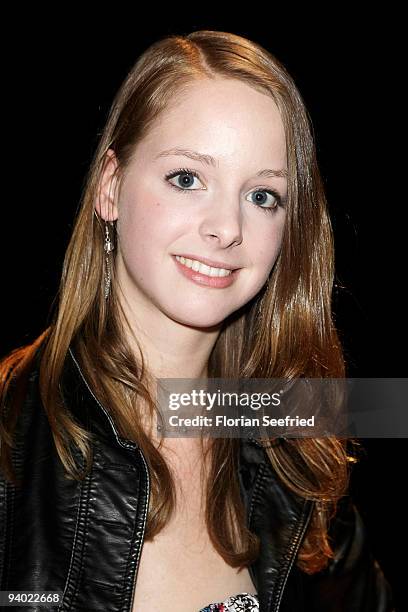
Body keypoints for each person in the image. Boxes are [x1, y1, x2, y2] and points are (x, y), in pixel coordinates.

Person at [0, 29, 394, 612]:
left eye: (263, 196)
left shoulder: (298, 439)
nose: (227, 228)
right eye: (187, 179)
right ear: (111, 187)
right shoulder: (11, 434)